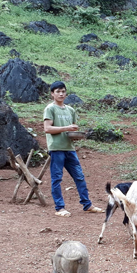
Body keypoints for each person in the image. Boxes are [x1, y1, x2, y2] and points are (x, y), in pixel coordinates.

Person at [43, 81, 102, 217]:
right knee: (57, 178)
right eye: (58, 91)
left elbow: (74, 128)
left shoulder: (70, 110)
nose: (61, 94)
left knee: (79, 176)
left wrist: (76, 134)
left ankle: (87, 205)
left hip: (70, 148)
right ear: (52, 94)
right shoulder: (50, 109)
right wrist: (66, 128)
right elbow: (47, 129)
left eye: (63, 91)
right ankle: (59, 208)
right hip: (56, 148)